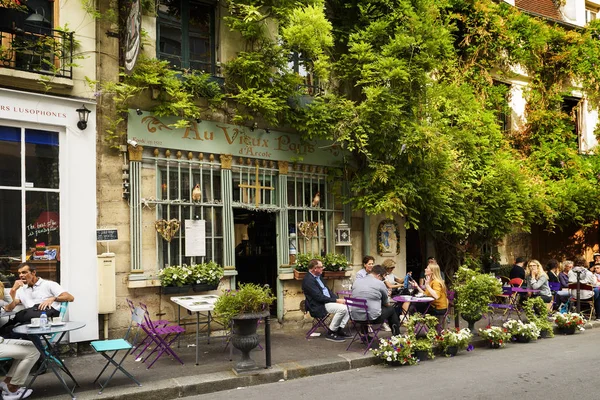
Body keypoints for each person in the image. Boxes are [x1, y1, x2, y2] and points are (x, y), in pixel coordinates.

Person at [2, 263, 74, 334]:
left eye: (24, 272)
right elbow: (9, 308)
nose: (21, 275)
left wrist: (53, 298)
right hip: (29, 320)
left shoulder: (48, 284)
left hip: (45, 320)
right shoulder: (21, 289)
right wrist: (13, 290)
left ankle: (37, 345)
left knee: (18, 331)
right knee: (5, 330)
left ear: (33, 272)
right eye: (19, 273)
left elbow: (70, 297)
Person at [302, 259, 350, 342]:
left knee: (349, 306)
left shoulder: (319, 276)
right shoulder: (308, 281)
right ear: (315, 269)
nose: (323, 269)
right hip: (319, 305)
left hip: (327, 301)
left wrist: (338, 299)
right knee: (343, 309)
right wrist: (336, 300)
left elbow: (327, 291)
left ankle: (339, 329)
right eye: (321, 267)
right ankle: (331, 332)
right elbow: (319, 297)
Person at [350, 265, 400, 336]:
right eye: (382, 278)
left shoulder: (356, 282)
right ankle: (397, 336)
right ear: (378, 275)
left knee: (365, 307)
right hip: (372, 318)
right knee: (391, 309)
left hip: (355, 316)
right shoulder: (379, 283)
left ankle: (365, 336)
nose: (382, 280)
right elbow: (386, 303)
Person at [568, 256, 600, 321]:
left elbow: (570, 281)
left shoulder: (570, 272)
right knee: (598, 294)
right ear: (584, 263)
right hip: (587, 296)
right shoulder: (588, 273)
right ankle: (598, 316)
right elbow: (595, 283)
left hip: (574, 296)